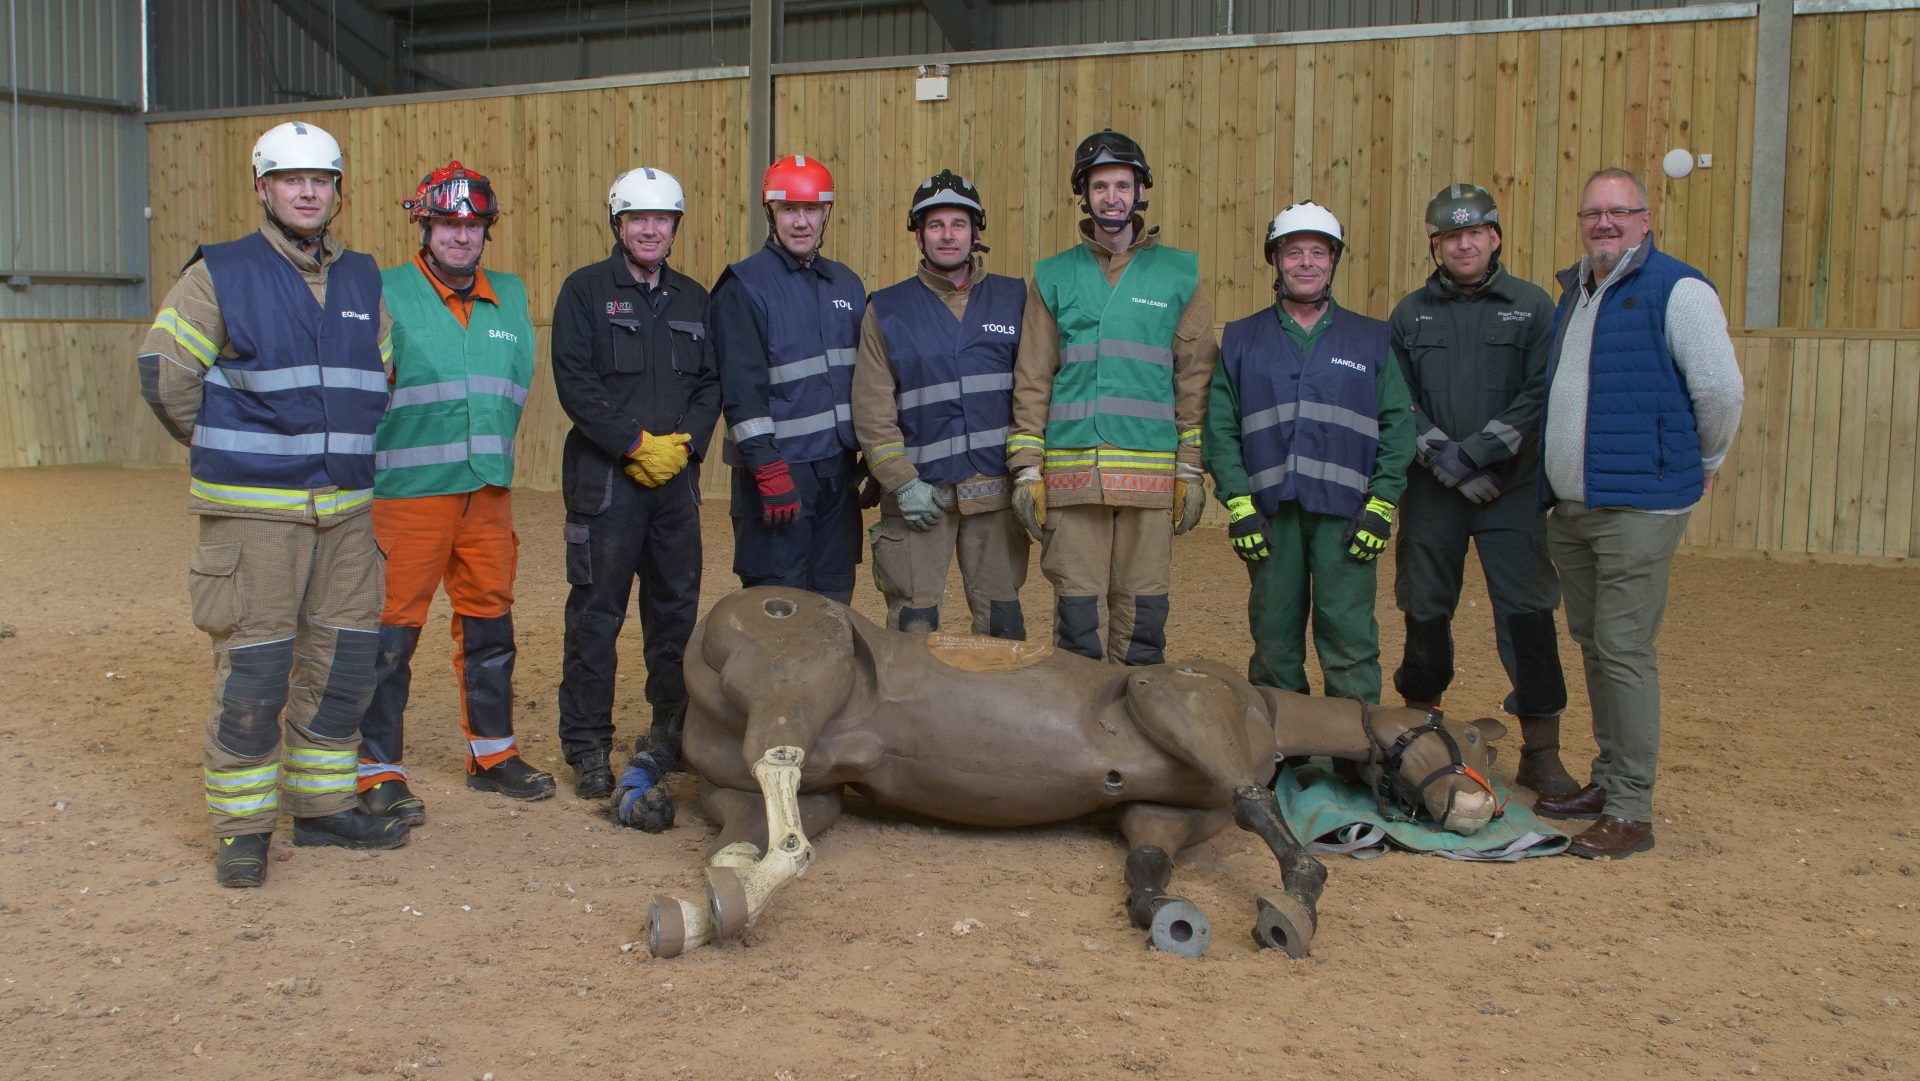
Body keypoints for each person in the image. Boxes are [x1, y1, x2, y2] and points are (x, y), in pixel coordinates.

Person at [135, 120, 408, 887]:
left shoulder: (362, 278)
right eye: (291, 180)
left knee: (345, 660)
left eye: (320, 180)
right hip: (255, 516)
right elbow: (165, 373)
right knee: (254, 665)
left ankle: (321, 808)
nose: (307, 191)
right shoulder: (220, 273)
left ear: (337, 192)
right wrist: (231, 448)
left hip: (347, 514)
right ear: (263, 188)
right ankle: (243, 829)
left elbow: (381, 372)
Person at [1531, 168, 1743, 858]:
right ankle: (1609, 774)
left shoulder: (1677, 289)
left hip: (1638, 506)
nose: (1604, 222)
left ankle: (1631, 808)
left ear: (1646, 220)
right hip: (1574, 507)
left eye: (1619, 212)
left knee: (1623, 649)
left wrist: (1699, 465)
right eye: (1593, 211)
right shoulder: (1579, 292)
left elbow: (1719, 390)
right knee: (1597, 643)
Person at [352, 161, 553, 826]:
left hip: (486, 492)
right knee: (389, 636)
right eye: (448, 223)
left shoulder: (513, 297)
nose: (461, 236)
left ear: (486, 230)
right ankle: (375, 768)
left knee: (492, 625)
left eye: (473, 224)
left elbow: (512, 385)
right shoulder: (386, 292)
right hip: (407, 495)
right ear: (425, 224)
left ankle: (493, 755)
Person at [1387, 183, 1575, 796]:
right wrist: (1443, 458)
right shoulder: (1409, 313)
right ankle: (1421, 729)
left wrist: (1483, 453)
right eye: (1450, 235)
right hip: (1434, 490)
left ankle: (1541, 750)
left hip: (1510, 490)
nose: (1464, 244)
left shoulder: (1534, 305)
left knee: (1527, 615)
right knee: (1424, 609)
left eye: (1475, 233)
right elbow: (1398, 398)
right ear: (1435, 245)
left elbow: (1541, 390)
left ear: (1494, 237)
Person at [1007, 130, 1215, 664]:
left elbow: (1194, 378)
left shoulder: (1179, 274)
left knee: (1143, 614)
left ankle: (1136, 728)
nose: (1112, 198)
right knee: (1077, 616)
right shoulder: (1052, 276)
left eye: (1123, 185)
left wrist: (1190, 466)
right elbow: (1034, 375)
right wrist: (1028, 467)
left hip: (1150, 473)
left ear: (1141, 190)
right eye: (1100, 186)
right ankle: (1082, 735)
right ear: (1085, 194)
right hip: (1072, 472)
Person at [550, 167, 720, 799]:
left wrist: (685, 444)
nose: (650, 230)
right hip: (606, 482)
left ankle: (670, 733)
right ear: (617, 224)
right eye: (638, 219)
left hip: (675, 485)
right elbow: (575, 382)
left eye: (662, 220)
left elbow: (710, 383)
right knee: (596, 615)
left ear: (675, 227)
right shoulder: (585, 292)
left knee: (675, 613)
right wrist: (632, 443)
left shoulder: (695, 299)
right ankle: (588, 745)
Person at [1203, 202, 1414, 702]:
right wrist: (1239, 505)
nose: (1305, 263)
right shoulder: (1241, 338)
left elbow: (1399, 427)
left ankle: (1355, 756)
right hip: (1270, 517)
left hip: (1349, 518)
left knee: (1350, 640)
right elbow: (1220, 428)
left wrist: (1381, 507)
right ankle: (1282, 756)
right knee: (1274, 641)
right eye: (1293, 252)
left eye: (1317, 252)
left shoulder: (1371, 338)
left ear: (1333, 261)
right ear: (1275, 261)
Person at [852, 169, 1028, 637]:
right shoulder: (885, 309)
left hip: (994, 493)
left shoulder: (1015, 299)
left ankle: (995, 713)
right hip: (918, 496)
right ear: (918, 234)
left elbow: (1033, 391)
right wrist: (900, 481)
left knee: (1002, 623)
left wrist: (1030, 470)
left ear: (976, 231)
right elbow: (872, 407)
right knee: (914, 621)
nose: (947, 235)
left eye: (958, 224)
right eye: (935, 225)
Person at [711, 155, 867, 603]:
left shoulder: (846, 285)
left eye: (812, 209)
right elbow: (741, 392)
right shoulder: (744, 286)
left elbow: (866, 380)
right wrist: (767, 467)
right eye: (789, 210)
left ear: (826, 213)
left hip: (838, 475)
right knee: (778, 607)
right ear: (770, 212)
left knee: (834, 601)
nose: (801, 222)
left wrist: (872, 459)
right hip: (778, 475)